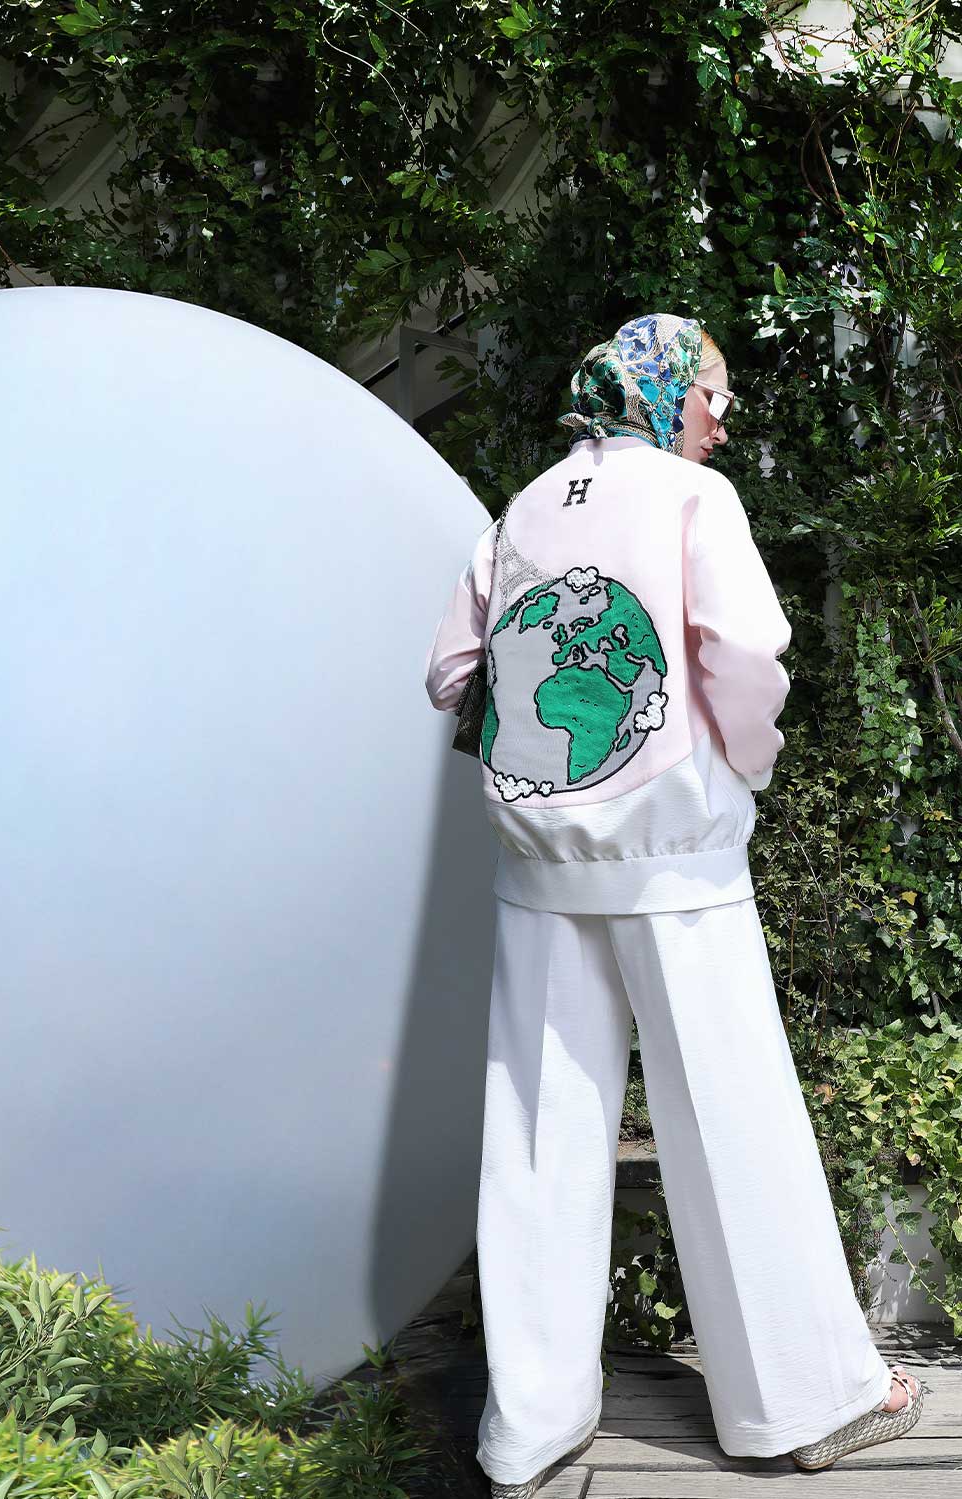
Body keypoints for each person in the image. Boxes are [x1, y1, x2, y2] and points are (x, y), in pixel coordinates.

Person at [423, 313, 924, 1497]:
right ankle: (801, 1402)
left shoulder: (522, 509)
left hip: (538, 866)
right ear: (661, 392)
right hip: (677, 860)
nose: (722, 420)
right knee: (730, 1114)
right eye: (714, 395)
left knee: (537, 1135)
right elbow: (744, 653)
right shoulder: (696, 501)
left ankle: (527, 1428)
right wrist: (741, 767)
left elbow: (448, 673)